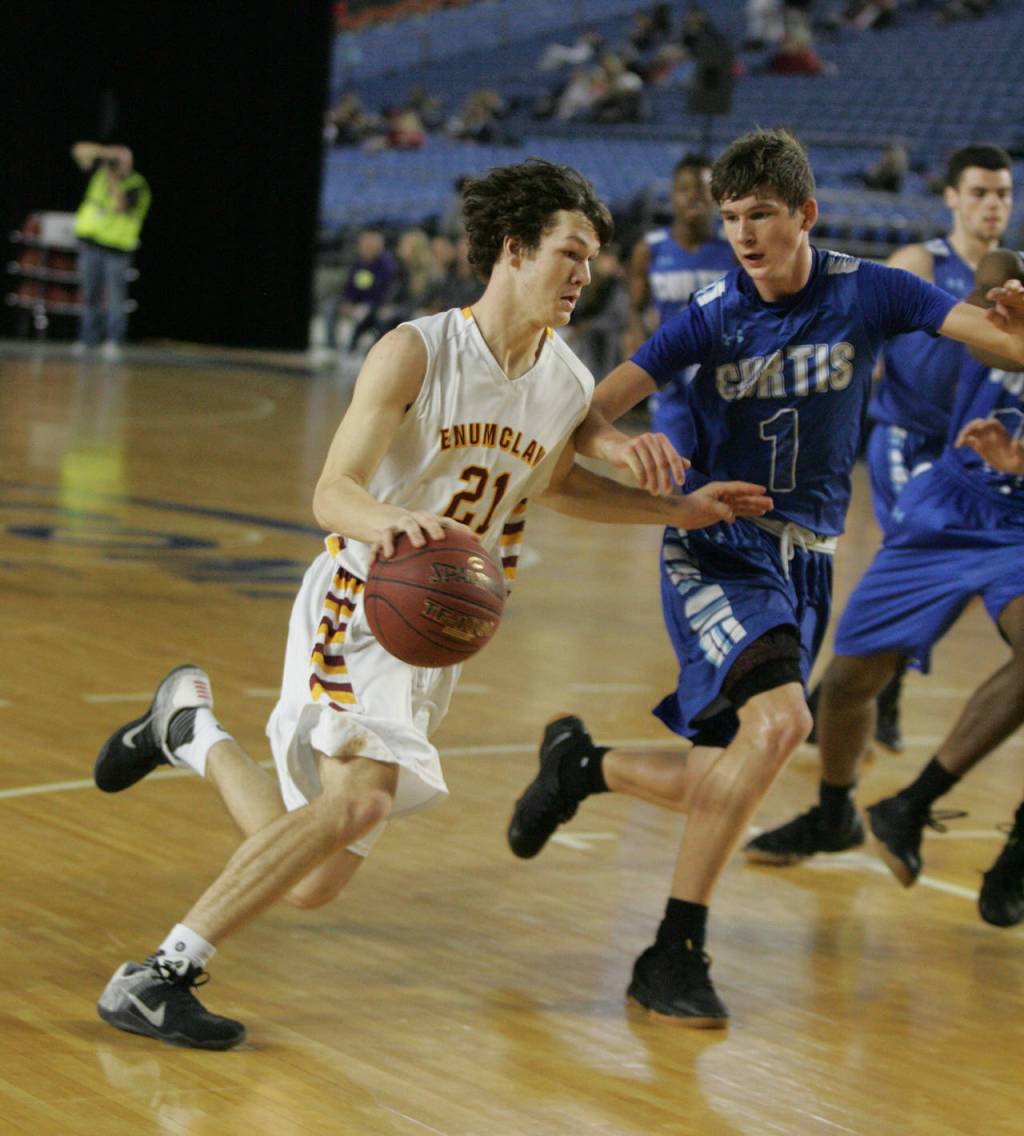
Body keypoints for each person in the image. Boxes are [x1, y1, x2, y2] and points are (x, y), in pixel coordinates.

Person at [90, 158, 772, 1050]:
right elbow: (331, 493)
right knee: (364, 800)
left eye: (593, 259)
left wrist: (671, 510)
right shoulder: (417, 349)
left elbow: (554, 483)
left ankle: (190, 734)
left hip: (440, 633)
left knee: (313, 877)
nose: (584, 274)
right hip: (366, 598)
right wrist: (391, 522)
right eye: (569, 253)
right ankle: (158, 974)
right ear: (513, 250)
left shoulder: (566, 377)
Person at [505, 129, 1024, 1027]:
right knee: (784, 723)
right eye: (733, 217)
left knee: (732, 767)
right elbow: (583, 415)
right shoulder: (710, 311)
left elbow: (997, 345)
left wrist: (1017, 331)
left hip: (808, 562)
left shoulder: (874, 290)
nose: (744, 234)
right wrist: (634, 451)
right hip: (719, 545)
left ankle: (584, 765)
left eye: (762, 217)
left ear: (805, 216)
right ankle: (672, 951)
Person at [746, 246, 1024, 929]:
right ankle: (835, 813)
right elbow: (992, 314)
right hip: (955, 498)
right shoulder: (1002, 274)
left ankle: (935, 809)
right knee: (848, 682)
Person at [803, 143, 1013, 753]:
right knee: (918, 559)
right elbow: (857, 339)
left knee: (943, 574)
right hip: (907, 438)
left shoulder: (1011, 277)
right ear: (951, 198)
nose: (991, 204)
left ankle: (841, 693)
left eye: (1001, 192)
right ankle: (873, 702)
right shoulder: (920, 262)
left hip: (975, 454)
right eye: (978, 192)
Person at [627, 153, 735, 449]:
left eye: (702, 190)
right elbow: (635, 311)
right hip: (672, 378)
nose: (693, 198)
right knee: (673, 472)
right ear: (673, 195)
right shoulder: (650, 250)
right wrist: (644, 364)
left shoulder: (734, 248)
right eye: (685, 189)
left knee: (722, 474)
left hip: (722, 378)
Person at [71, 141, 151, 360]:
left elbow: (120, 206)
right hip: (91, 244)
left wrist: (116, 178)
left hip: (116, 249)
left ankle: (114, 340)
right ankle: (87, 339)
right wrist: (104, 153)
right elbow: (78, 151)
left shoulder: (137, 184)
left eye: (122, 160)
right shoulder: (100, 175)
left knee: (115, 297)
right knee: (90, 294)